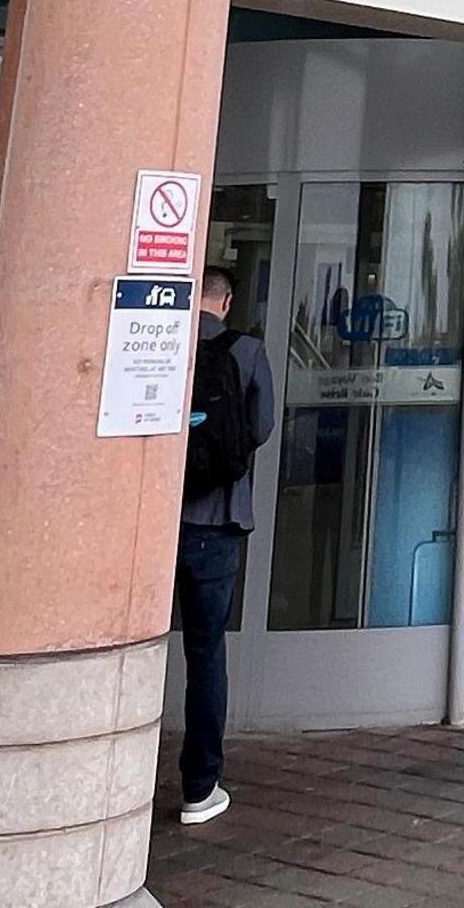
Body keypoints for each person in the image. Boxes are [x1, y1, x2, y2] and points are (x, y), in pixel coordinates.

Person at [173, 267, 272, 826]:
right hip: (218, 519)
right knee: (206, 653)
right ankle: (199, 786)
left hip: (157, 521)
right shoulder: (249, 351)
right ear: (227, 301)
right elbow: (260, 428)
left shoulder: (165, 339)